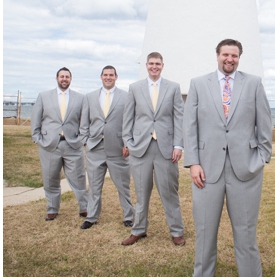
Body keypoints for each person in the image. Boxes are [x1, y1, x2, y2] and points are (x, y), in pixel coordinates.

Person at [183, 39, 272, 277]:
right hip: (206, 170)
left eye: (234, 55)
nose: (229, 59)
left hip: (244, 170)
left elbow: (264, 125)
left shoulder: (254, 83)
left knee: (245, 228)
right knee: (205, 227)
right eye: (225, 54)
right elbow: (189, 126)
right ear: (217, 55)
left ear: (239, 57)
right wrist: (193, 163)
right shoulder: (199, 84)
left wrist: (260, 159)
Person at [121, 52, 185, 246]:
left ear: (162, 66)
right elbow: (128, 118)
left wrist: (178, 144)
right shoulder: (135, 88)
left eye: (157, 64)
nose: (154, 67)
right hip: (140, 149)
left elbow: (179, 118)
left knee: (169, 192)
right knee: (141, 194)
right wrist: (128, 142)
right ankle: (139, 230)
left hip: (166, 149)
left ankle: (176, 231)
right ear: (146, 65)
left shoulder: (173, 88)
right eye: (151, 64)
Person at [79, 65, 134, 229]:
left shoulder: (126, 97)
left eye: (111, 75)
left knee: (123, 185)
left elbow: (130, 122)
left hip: (118, 149)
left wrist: (127, 143)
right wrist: (86, 140)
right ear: (101, 77)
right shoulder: (89, 97)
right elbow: (84, 123)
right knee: (94, 186)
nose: (108, 77)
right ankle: (92, 216)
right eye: (105, 75)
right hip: (95, 148)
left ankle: (129, 216)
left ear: (116, 77)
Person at [31, 67, 89, 221]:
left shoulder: (80, 98)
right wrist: (37, 138)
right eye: (62, 76)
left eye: (67, 77)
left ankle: (85, 208)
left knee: (79, 178)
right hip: (49, 145)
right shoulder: (44, 96)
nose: (64, 79)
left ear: (71, 79)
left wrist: (82, 139)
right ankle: (52, 209)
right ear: (57, 78)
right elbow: (36, 119)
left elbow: (84, 123)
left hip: (72, 145)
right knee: (50, 179)